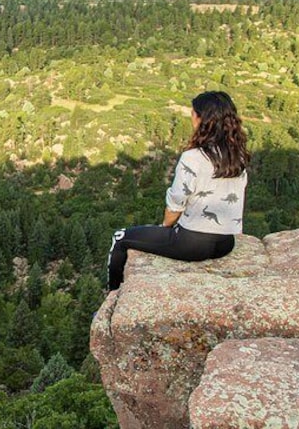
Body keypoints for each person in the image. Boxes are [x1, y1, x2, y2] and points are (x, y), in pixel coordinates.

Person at [107, 91, 249, 291]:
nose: (191, 116)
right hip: (225, 243)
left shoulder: (193, 157)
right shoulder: (238, 155)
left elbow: (176, 203)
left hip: (192, 244)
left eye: (193, 113)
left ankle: (113, 297)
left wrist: (165, 227)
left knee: (120, 237)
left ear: (202, 119)